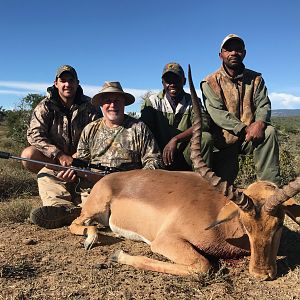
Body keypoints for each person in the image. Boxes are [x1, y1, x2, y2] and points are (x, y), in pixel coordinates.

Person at [31, 81, 163, 229]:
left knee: (116, 209)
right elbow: (82, 159)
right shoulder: (90, 129)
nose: (112, 105)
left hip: (127, 190)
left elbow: (154, 161)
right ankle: (62, 207)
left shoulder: (138, 128)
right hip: (93, 187)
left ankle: (81, 213)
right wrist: (71, 171)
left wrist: (132, 182)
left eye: (117, 100)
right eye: (107, 101)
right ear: (101, 104)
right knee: (47, 174)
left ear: (124, 103)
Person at [22, 65, 101, 228]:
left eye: (71, 81)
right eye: (63, 80)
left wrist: (78, 158)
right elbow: (34, 134)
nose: (67, 84)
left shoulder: (90, 105)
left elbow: (99, 133)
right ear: (56, 83)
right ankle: (61, 208)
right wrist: (59, 155)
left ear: (77, 83)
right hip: (54, 160)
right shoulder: (45, 105)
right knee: (29, 155)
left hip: (83, 159)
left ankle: (79, 204)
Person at [201, 34, 280, 185]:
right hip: (223, 141)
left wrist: (260, 123)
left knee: (269, 132)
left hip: (249, 138)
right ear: (221, 55)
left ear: (244, 53)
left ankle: (269, 188)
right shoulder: (209, 82)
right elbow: (217, 113)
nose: (233, 53)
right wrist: (244, 129)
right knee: (222, 190)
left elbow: (263, 104)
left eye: (238, 49)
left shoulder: (256, 79)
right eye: (228, 50)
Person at [141, 62, 213, 171]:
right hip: (159, 155)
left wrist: (176, 139)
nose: (172, 84)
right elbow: (143, 130)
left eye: (176, 79)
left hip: (185, 153)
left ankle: (200, 180)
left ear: (184, 81)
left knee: (205, 138)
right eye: (168, 81)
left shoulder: (193, 101)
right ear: (162, 83)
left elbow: (204, 124)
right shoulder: (152, 102)